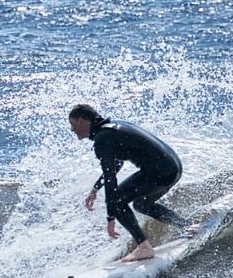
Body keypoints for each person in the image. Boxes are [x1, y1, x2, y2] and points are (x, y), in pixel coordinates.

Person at [68, 103, 188, 262]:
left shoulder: (102, 139)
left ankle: (144, 248)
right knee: (141, 204)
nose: (72, 129)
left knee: (117, 200)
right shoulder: (113, 128)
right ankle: (186, 226)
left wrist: (111, 216)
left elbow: (111, 180)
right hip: (173, 168)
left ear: (81, 120)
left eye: (72, 124)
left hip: (160, 172)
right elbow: (116, 164)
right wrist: (96, 188)